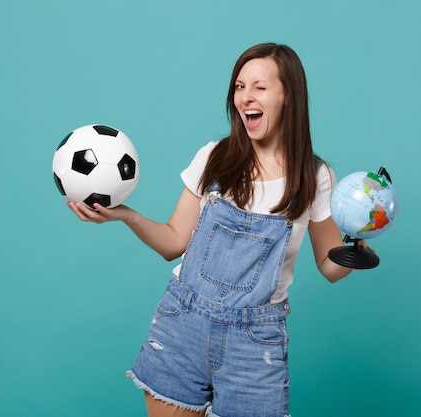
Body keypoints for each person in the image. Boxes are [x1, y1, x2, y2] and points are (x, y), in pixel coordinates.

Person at [68, 42, 371, 417]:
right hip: (182, 325)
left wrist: (359, 243)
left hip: (254, 342)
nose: (246, 97)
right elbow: (173, 243)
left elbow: (329, 267)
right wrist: (127, 216)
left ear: (288, 95)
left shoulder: (315, 176)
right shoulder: (215, 157)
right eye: (240, 86)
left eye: (259, 86)